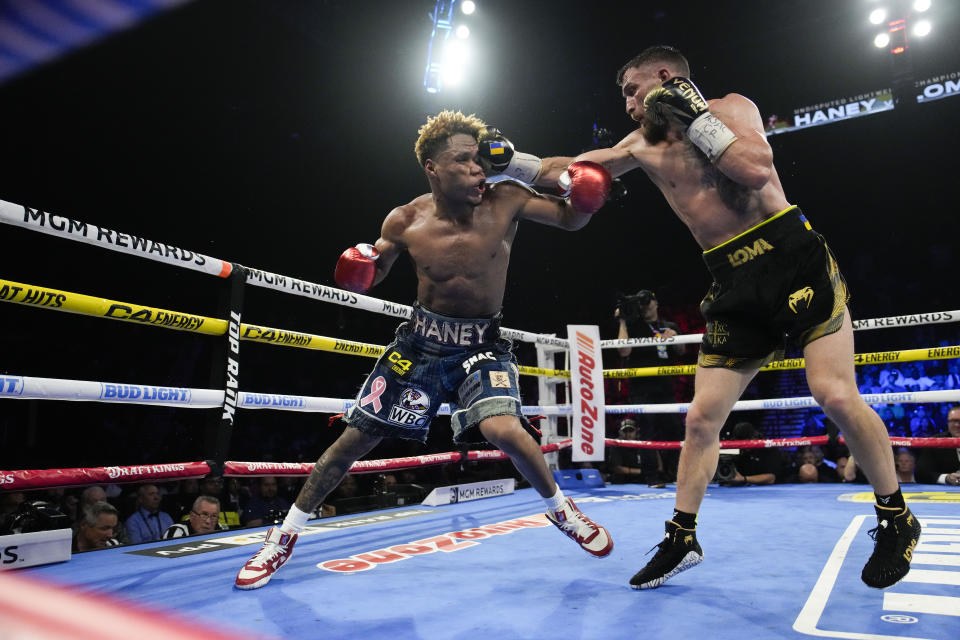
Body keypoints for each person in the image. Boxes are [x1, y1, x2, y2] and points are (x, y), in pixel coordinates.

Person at [515, 45, 918, 589]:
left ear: (663, 79)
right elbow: (577, 167)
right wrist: (506, 166)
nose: (629, 105)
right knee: (702, 419)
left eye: (633, 90)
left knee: (836, 395)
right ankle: (682, 537)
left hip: (791, 259)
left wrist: (696, 117)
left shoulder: (731, 109)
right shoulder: (639, 145)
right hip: (732, 281)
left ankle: (896, 517)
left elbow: (752, 171)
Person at [235, 110, 614, 590]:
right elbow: (375, 270)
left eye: (480, 160)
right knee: (351, 443)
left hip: (483, 345)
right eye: (463, 160)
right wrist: (362, 268)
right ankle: (282, 538)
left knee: (506, 430)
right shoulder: (405, 219)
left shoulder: (507, 199)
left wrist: (586, 197)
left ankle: (561, 512)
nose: (478, 169)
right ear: (433, 167)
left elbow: (570, 219)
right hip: (419, 347)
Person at [615, 289, 685, 486]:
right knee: (646, 431)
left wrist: (675, 337)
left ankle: (676, 474)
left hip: (665, 386)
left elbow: (681, 351)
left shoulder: (669, 326)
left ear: (656, 303)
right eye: (641, 303)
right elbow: (623, 351)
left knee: (673, 429)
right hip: (640, 386)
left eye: (647, 302)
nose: (644, 306)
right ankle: (652, 478)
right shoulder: (634, 325)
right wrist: (622, 320)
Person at [915, 405, 960, 486]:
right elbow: (920, 474)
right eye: (953, 421)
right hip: (946, 493)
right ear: (948, 423)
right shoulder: (936, 442)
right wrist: (946, 478)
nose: (957, 425)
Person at [608, 418, 646, 484]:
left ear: (636, 431)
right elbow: (618, 469)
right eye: (625, 431)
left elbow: (658, 465)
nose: (628, 434)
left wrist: (649, 472)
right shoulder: (616, 445)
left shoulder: (643, 444)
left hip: (641, 479)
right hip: (623, 480)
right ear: (620, 432)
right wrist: (642, 471)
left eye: (631, 431)